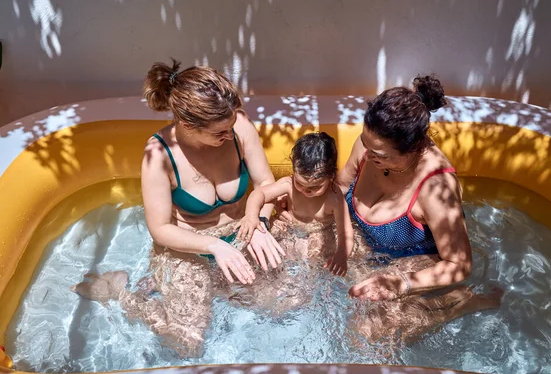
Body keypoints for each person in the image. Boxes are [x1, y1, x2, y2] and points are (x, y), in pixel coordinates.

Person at [72, 59, 285, 356]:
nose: (229, 136)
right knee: (187, 343)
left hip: (243, 232)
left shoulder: (238, 125)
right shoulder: (159, 154)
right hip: (189, 251)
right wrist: (213, 246)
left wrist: (259, 222)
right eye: (219, 133)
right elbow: (160, 229)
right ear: (187, 125)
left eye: (231, 127)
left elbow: (265, 185)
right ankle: (118, 293)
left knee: (286, 302)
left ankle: (221, 291)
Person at [336, 75, 502, 342]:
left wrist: (401, 283)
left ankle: (459, 302)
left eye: (381, 155)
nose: (368, 154)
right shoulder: (370, 144)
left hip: (413, 260)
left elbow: (459, 264)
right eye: (367, 145)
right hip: (363, 244)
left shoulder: (436, 189)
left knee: (366, 333)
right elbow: (340, 188)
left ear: (413, 148)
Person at [237, 132, 354, 276]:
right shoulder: (288, 184)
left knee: (315, 257)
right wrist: (251, 216)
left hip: (318, 231)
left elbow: (345, 232)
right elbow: (259, 194)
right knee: (256, 240)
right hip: (288, 225)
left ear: (331, 177)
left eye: (316, 187)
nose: (306, 191)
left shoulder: (334, 198)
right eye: (300, 183)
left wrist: (342, 255)